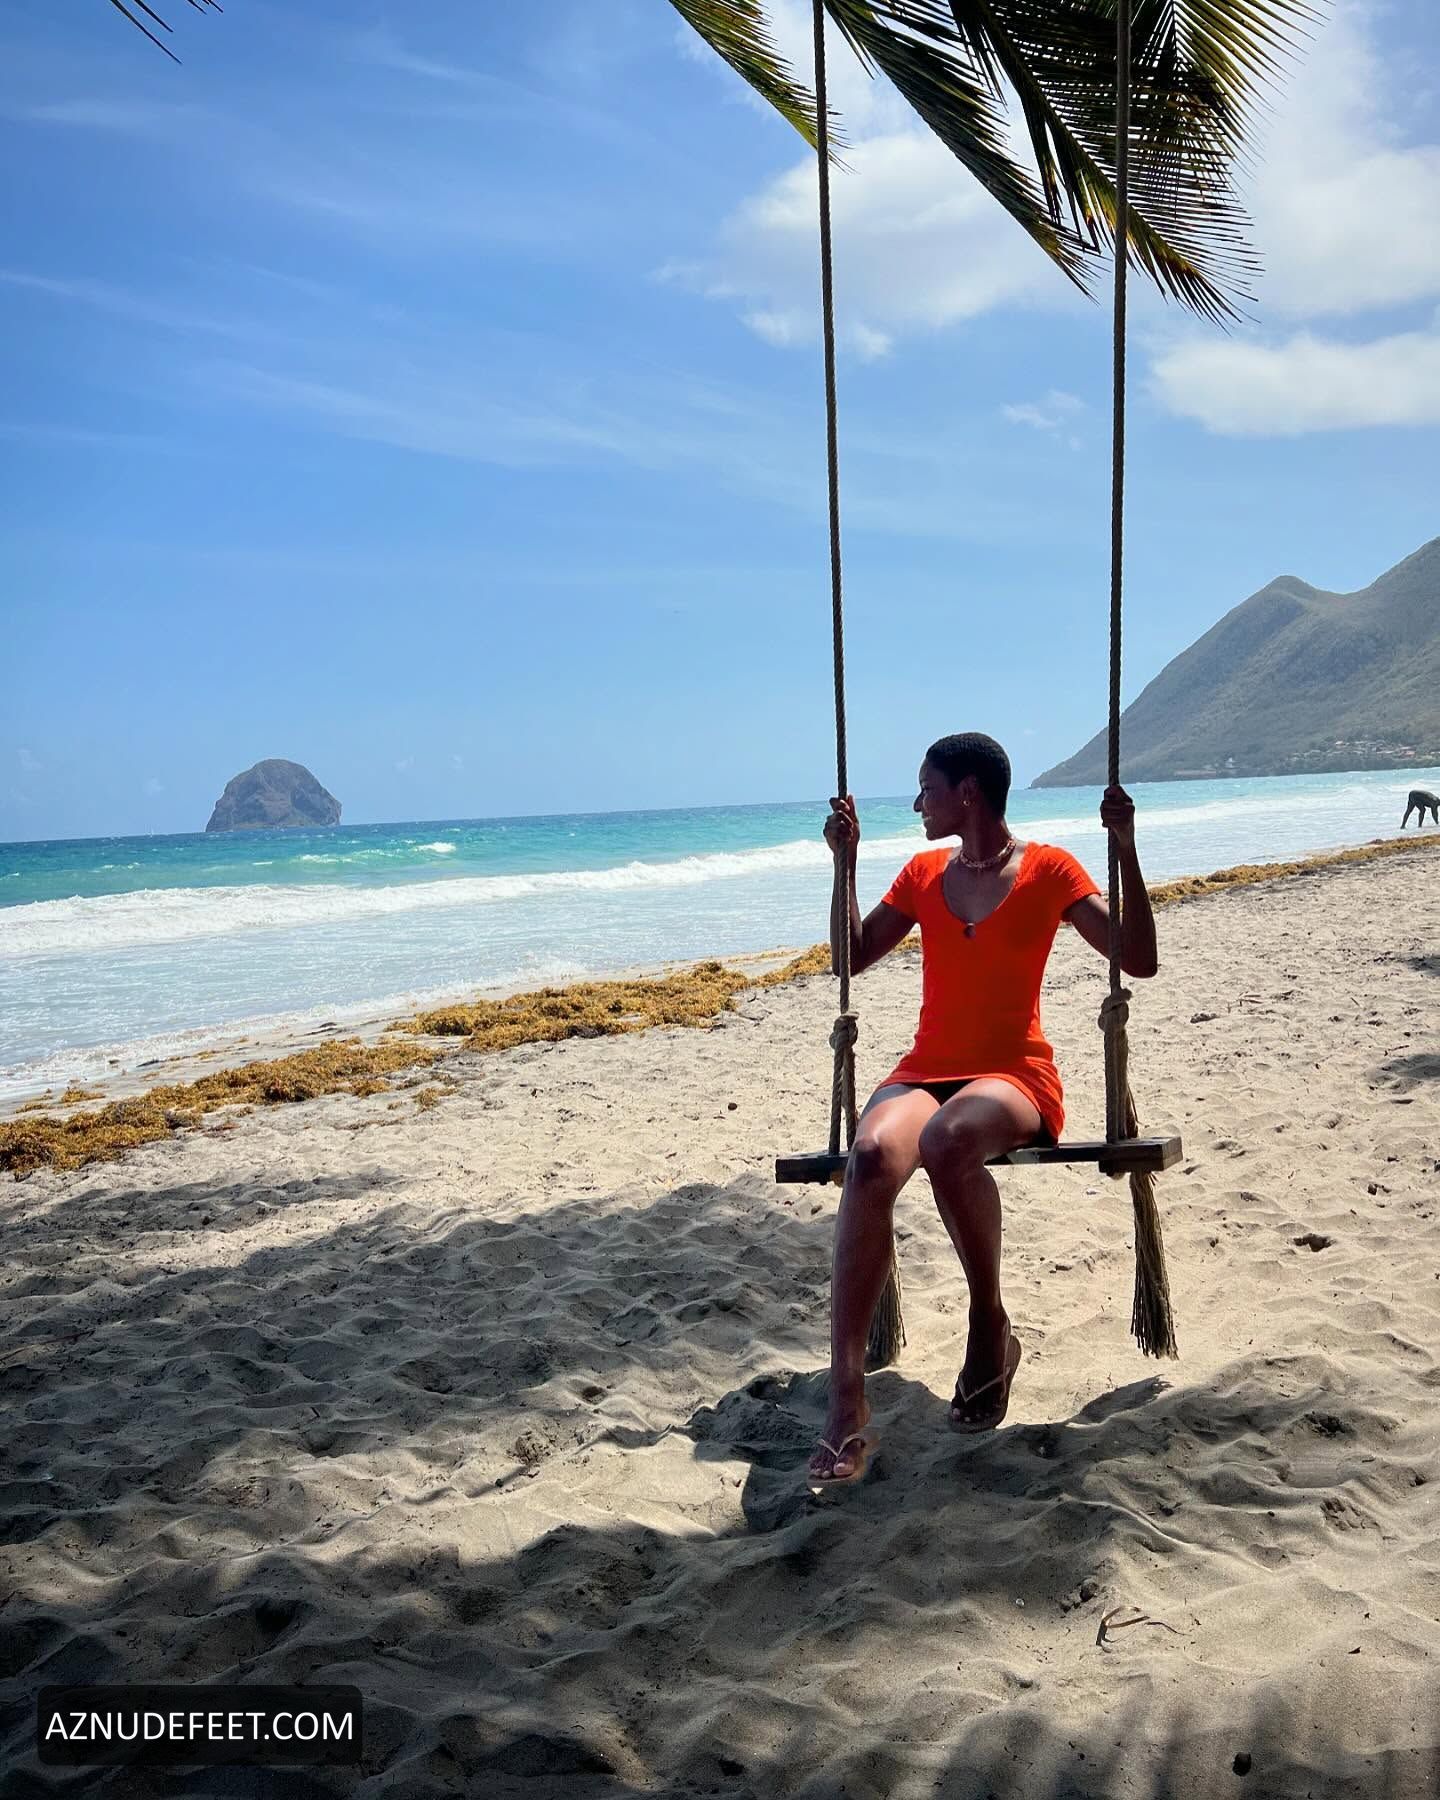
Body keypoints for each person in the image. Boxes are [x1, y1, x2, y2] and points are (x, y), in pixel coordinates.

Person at [809, 731, 1158, 1485]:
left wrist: (1126, 849)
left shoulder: (1049, 870)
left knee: (948, 1138)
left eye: (926, 789)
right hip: (926, 1070)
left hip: (1013, 1077)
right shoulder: (923, 873)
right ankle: (845, 1398)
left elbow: (1138, 959)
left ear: (967, 792)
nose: (917, 803)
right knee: (869, 1156)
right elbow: (850, 958)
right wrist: (845, 865)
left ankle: (986, 1324)